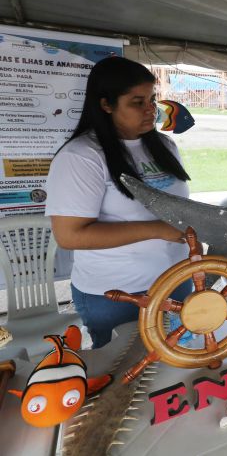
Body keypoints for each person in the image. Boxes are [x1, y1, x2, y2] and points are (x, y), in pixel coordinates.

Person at [45, 57, 192, 348]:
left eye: (152, 99)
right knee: (119, 379)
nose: (151, 109)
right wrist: (158, 229)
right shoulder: (82, 156)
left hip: (176, 282)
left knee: (175, 365)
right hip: (115, 294)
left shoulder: (164, 146)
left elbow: (180, 205)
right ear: (106, 105)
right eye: (137, 102)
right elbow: (70, 235)